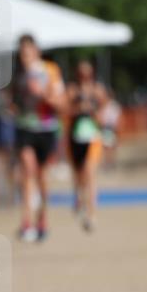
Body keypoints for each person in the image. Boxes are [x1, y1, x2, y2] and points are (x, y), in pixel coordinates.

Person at [10, 34, 65, 242]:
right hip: (25, 127)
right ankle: (26, 221)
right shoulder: (18, 73)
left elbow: (60, 101)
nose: (25, 56)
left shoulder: (50, 70)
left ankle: (42, 218)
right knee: (28, 169)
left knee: (41, 176)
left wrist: (42, 94)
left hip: (46, 127)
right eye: (22, 53)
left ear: (36, 51)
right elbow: (13, 99)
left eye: (28, 52)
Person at [66, 61, 104, 231]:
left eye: (87, 74)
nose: (84, 77)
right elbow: (65, 109)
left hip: (92, 137)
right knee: (79, 175)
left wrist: (93, 111)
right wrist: (78, 108)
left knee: (90, 172)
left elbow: (103, 111)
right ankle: (79, 199)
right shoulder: (72, 90)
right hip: (75, 136)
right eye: (81, 74)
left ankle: (92, 214)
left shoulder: (97, 90)